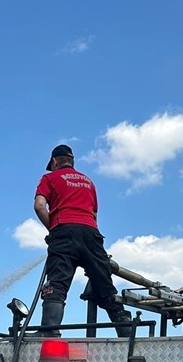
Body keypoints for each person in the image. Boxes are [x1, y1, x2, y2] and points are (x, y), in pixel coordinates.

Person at [34, 144, 133, 336]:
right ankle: (127, 333)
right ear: (71, 162)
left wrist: (54, 230)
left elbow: (39, 206)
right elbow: (94, 215)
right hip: (91, 233)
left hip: (64, 231)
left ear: (55, 162)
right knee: (105, 286)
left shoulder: (49, 178)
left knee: (57, 284)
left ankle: (49, 331)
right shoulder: (89, 182)